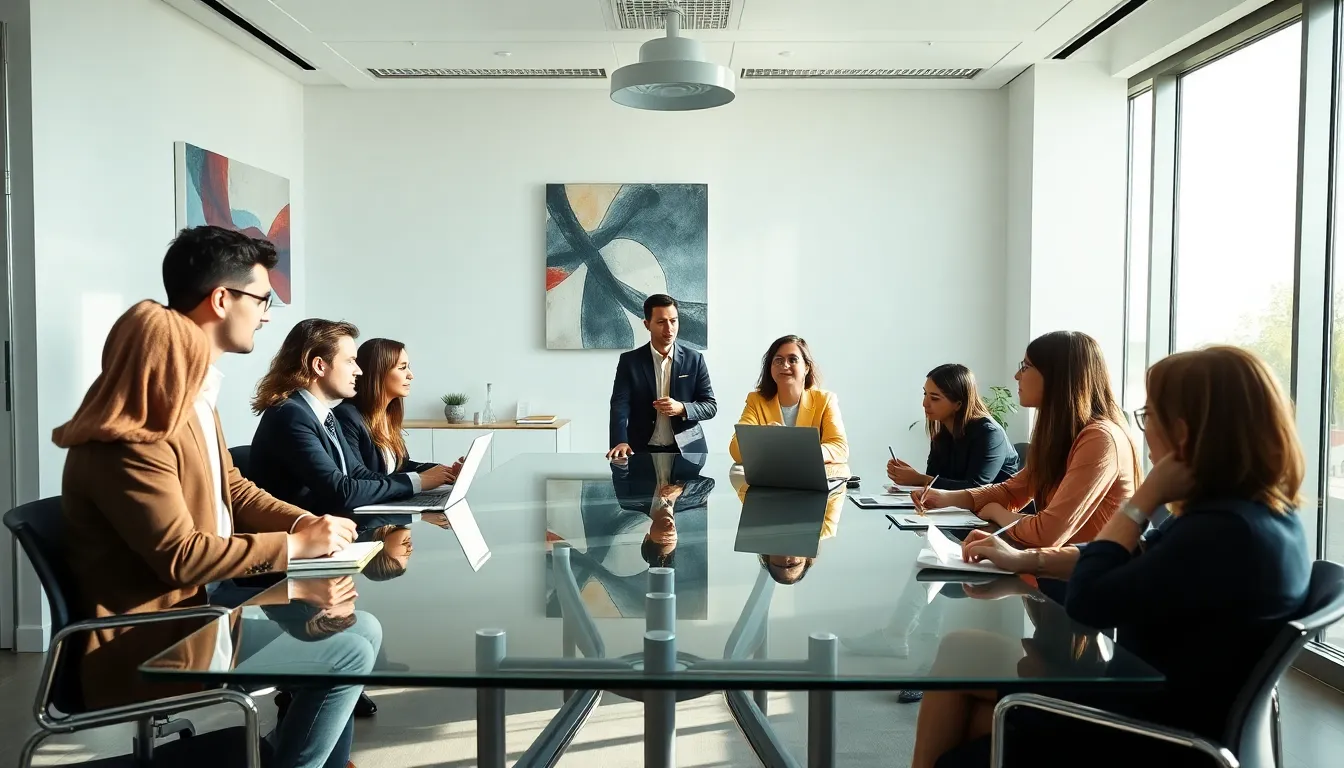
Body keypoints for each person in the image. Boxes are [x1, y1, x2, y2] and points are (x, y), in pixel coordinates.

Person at [60, 224, 371, 768]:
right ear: (222, 299)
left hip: (204, 609)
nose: (267, 315)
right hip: (157, 642)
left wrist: (303, 523)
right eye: (262, 299)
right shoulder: (139, 427)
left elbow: (233, 487)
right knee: (345, 650)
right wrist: (296, 548)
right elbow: (180, 557)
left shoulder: (195, 400)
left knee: (358, 628)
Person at [913, 346, 1311, 768]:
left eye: (1149, 415)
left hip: (1149, 731)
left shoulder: (1219, 535)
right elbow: (1133, 555)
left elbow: (1088, 601)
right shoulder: (1255, 516)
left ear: (1185, 431)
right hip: (1159, 705)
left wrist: (1142, 501)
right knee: (964, 680)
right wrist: (1024, 561)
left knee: (963, 701)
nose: (1144, 428)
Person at [914, 331, 1139, 548]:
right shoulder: (1060, 435)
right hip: (1056, 563)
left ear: (1057, 376)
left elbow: (1047, 533)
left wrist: (996, 512)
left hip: (1087, 571)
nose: (1017, 375)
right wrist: (945, 498)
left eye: (1026, 366)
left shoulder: (1100, 439)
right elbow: (1011, 491)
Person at [248, 319, 455, 514]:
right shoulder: (290, 414)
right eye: (350, 362)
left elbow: (358, 474)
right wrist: (418, 482)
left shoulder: (323, 415)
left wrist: (432, 476)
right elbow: (342, 491)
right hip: (297, 533)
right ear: (320, 366)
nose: (359, 371)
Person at [607, 293, 717, 460]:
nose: (669, 328)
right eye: (661, 322)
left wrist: (682, 408)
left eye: (673, 321)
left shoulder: (694, 359)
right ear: (647, 324)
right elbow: (619, 405)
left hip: (688, 452)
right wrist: (620, 441)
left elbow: (710, 406)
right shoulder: (629, 361)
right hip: (641, 450)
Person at [334, 337, 463, 479]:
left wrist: (445, 471)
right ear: (378, 372)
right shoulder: (346, 416)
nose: (410, 375)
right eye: (402, 368)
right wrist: (419, 480)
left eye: (408, 367)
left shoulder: (387, 415)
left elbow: (401, 466)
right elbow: (359, 479)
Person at [888, 364, 1020, 489]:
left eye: (934, 398)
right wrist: (911, 479)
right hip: (957, 506)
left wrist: (920, 479)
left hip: (994, 505)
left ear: (958, 404)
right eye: (925, 394)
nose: (924, 403)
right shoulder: (942, 437)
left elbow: (975, 488)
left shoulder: (989, 433)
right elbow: (935, 483)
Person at [728, 334, 848, 464]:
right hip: (770, 474)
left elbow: (839, 448)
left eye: (792, 360)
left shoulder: (825, 400)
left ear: (806, 367)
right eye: (778, 360)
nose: (785, 365)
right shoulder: (756, 400)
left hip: (810, 474)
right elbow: (736, 449)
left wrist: (799, 449)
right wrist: (766, 436)